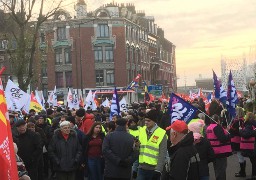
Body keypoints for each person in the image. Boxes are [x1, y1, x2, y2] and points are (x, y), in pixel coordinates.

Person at [137, 109, 167, 180]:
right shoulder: (142, 130)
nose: (146, 122)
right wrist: (136, 146)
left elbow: (162, 153)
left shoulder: (161, 133)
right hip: (141, 167)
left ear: (154, 121)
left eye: (149, 121)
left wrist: (158, 170)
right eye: (145, 120)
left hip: (154, 169)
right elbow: (138, 149)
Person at [206, 114, 232, 180]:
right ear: (218, 120)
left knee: (217, 169)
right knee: (221, 170)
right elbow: (222, 138)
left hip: (214, 151)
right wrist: (229, 135)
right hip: (220, 151)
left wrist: (226, 130)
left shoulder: (209, 127)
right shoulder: (217, 127)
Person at [229, 107, 246, 177]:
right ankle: (242, 171)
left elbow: (234, 131)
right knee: (241, 155)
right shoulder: (243, 120)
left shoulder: (237, 121)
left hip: (236, 140)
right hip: (240, 140)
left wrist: (229, 129)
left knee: (240, 156)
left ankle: (242, 172)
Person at [240, 112, 256, 180]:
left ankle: (254, 176)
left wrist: (240, 131)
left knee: (254, 161)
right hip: (253, 144)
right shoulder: (254, 124)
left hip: (252, 145)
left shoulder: (249, 124)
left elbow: (246, 134)